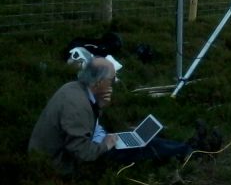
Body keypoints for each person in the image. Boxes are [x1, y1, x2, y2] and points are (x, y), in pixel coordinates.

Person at [28, 56, 193, 176]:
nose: (115, 83)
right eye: (113, 79)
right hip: (58, 162)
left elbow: (85, 126)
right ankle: (187, 151)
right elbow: (82, 154)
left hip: (63, 149)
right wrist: (105, 145)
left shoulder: (75, 88)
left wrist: (99, 105)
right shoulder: (77, 107)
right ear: (99, 83)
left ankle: (182, 147)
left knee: (136, 142)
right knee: (138, 149)